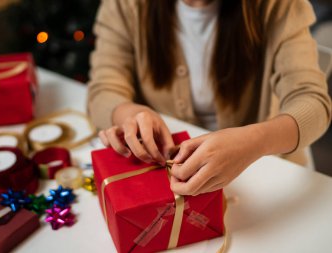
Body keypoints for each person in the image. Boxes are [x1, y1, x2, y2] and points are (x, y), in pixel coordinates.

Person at [87, 0, 331, 196]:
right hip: (171, 172)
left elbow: (313, 103)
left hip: (266, 168)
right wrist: (128, 114)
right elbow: (102, 89)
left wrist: (254, 141)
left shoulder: (278, 6)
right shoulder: (124, 6)